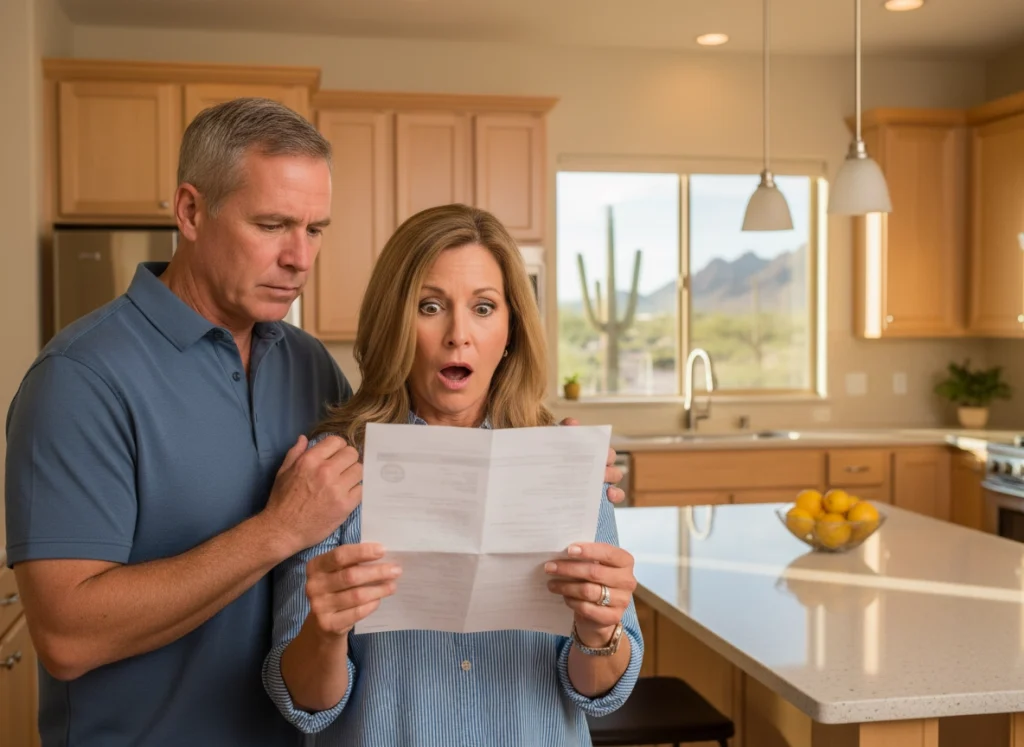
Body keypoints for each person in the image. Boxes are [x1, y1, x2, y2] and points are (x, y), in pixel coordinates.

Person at [4, 98, 625, 747]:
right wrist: (277, 531)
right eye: (272, 224)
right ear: (190, 211)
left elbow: (401, 437)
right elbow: (67, 635)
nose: (300, 258)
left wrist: (564, 468)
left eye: (315, 228)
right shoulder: (80, 379)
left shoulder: (302, 364)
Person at [263, 204, 643, 746]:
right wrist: (325, 632)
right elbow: (304, 704)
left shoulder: (565, 464)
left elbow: (602, 690)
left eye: (484, 308)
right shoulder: (334, 472)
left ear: (510, 328)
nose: (458, 335)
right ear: (395, 320)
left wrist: (598, 630)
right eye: (430, 306)